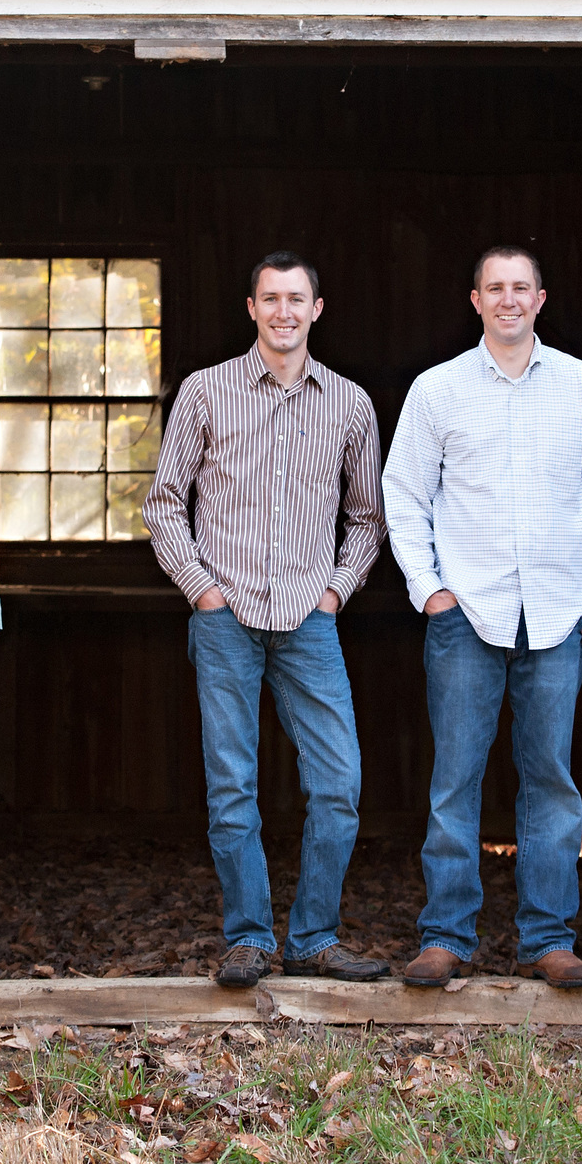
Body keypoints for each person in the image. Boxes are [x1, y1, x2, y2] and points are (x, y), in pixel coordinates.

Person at [383, 245, 582, 990]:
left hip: (561, 615)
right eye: (494, 288)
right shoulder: (437, 391)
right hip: (467, 611)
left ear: (540, 298)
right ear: (475, 300)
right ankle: (446, 937)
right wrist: (427, 586)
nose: (507, 299)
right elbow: (403, 494)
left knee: (552, 782)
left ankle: (547, 938)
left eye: (520, 287)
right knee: (455, 781)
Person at [144, 251, 390, 990]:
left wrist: (336, 592)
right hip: (226, 613)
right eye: (270, 298)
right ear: (250, 307)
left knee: (339, 783)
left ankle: (313, 935)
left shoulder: (350, 403)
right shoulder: (205, 392)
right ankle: (248, 936)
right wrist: (201, 588)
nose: (284, 311)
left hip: (310, 617)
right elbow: (164, 502)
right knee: (231, 786)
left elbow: (366, 517)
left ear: (318, 308)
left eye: (297, 299)